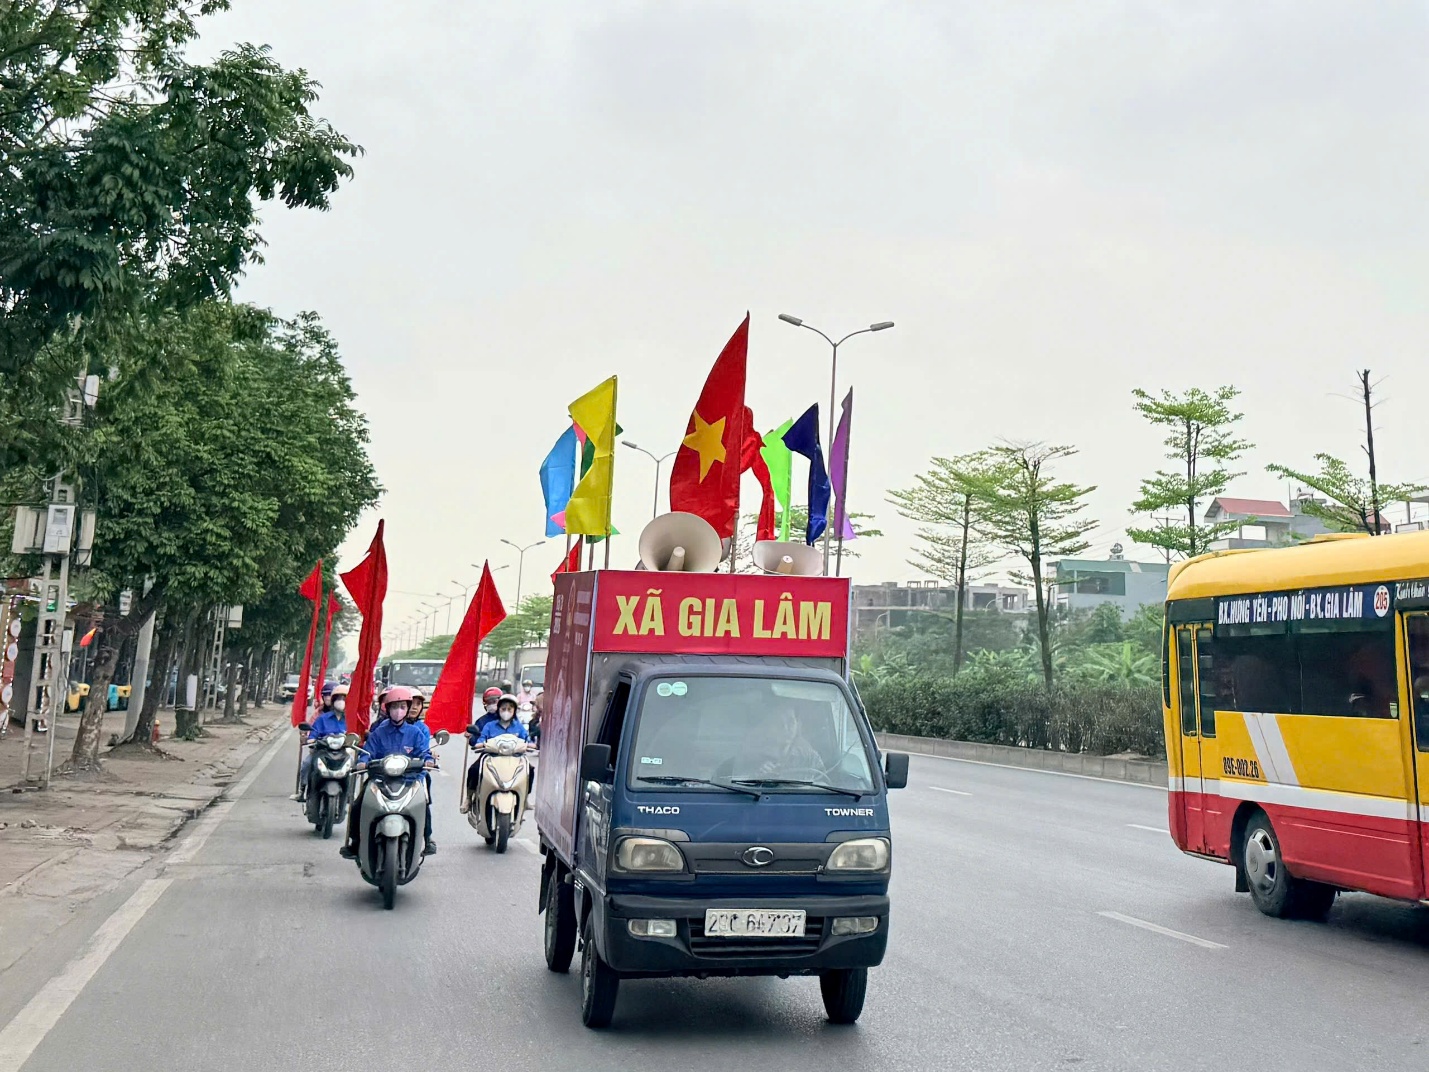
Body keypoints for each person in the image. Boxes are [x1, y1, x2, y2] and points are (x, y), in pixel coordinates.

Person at [341, 686, 437, 859]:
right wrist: (362, 763)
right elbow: (368, 753)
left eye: (402, 706)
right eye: (394, 706)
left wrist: (428, 760)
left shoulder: (416, 733)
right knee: (358, 805)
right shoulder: (378, 733)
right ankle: (355, 843)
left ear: (407, 709)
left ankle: (427, 838)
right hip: (380, 780)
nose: (398, 711)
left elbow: (424, 753)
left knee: (423, 804)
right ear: (387, 708)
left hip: (409, 781)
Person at [466, 693, 528, 800]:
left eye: (509, 709)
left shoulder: (518, 726)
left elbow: (526, 739)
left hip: (514, 759)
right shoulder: (488, 725)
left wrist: (530, 744)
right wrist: (478, 743)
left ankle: (524, 799)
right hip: (491, 757)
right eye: (503, 708)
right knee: (474, 770)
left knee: (529, 770)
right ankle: (469, 798)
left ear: (514, 711)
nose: (506, 712)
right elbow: (481, 739)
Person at [293, 684, 349, 802]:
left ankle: (349, 793)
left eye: (344, 699)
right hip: (322, 751)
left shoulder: (351, 719)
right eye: (338, 699)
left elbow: (355, 734)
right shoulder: (322, 718)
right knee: (307, 764)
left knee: (352, 767)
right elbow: (313, 733)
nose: (341, 702)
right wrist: (311, 739)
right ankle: (303, 790)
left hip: (342, 753)